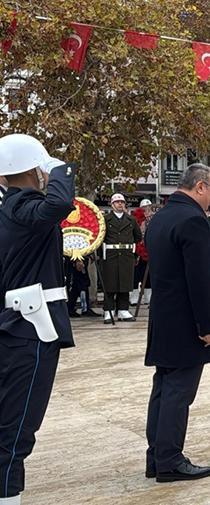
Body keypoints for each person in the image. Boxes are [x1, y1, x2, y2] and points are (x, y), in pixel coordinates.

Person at [0, 135, 76, 505]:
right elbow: (61, 202)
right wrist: (56, 165)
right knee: (16, 431)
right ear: (33, 170)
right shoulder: (25, 207)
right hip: (27, 332)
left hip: (10, 325)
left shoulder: (7, 209)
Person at [144, 163, 210, 483]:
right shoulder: (193, 220)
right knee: (179, 393)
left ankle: (156, 455)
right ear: (199, 187)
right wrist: (207, 325)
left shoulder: (161, 217)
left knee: (164, 388)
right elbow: (200, 280)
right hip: (186, 321)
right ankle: (169, 460)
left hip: (164, 317)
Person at [101, 193, 143, 323]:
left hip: (125, 254)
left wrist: (134, 253)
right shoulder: (105, 220)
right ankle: (108, 310)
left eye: (122, 202)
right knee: (110, 283)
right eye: (117, 202)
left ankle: (123, 310)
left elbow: (137, 237)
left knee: (125, 283)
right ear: (112, 204)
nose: (120, 204)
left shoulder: (131, 220)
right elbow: (100, 237)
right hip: (110, 254)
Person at [130, 199, 155, 306]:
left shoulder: (154, 218)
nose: (146, 210)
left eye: (148, 207)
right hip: (138, 250)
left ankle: (148, 298)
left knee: (149, 276)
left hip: (149, 250)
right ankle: (134, 297)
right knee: (136, 275)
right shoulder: (135, 218)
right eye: (144, 207)